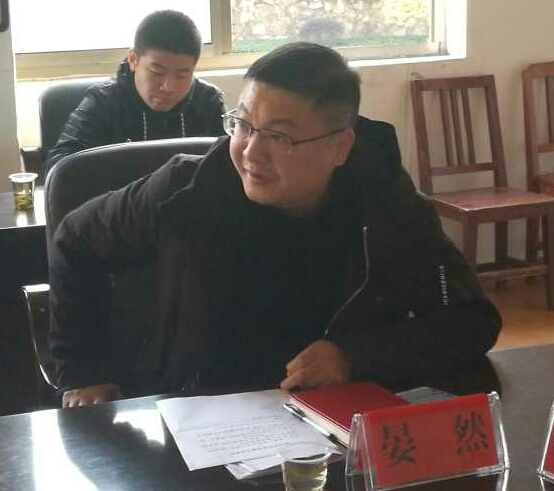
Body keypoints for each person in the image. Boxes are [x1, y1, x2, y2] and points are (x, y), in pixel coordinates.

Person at [48, 42, 502, 408]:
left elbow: (471, 321)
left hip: (332, 416)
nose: (250, 152)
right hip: (198, 409)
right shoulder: (185, 192)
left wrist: (354, 356)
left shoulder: (386, 202)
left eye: (278, 136)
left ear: (340, 147)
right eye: (242, 125)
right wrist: (85, 372)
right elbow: (74, 238)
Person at [44, 10, 226, 175]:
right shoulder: (104, 102)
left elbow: (230, 167)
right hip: (119, 200)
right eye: (157, 71)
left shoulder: (208, 102)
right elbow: (59, 168)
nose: (169, 86)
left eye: (182, 74)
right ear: (133, 60)